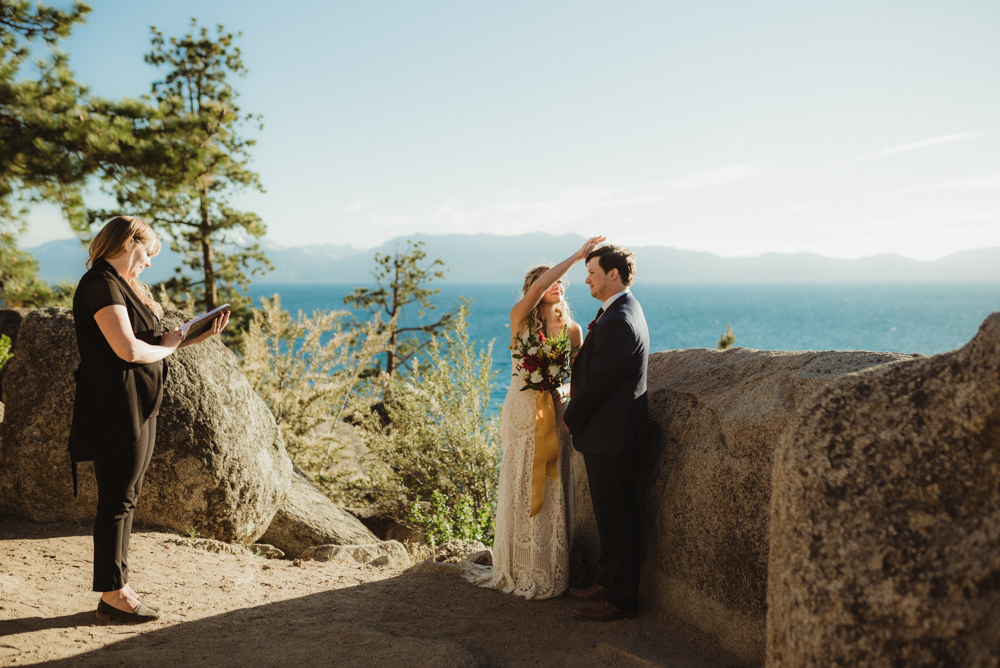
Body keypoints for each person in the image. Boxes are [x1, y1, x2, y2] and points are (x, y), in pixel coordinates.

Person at [69, 216, 229, 623]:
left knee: (127, 497)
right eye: (147, 252)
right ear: (127, 242)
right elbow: (128, 351)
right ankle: (113, 592)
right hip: (115, 408)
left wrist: (191, 336)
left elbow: (148, 343)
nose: (150, 263)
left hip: (139, 404)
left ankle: (117, 585)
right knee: (117, 500)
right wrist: (172, 348)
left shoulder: (122, 285)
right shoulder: (101, 285)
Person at [466, 235, 605, 599]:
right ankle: (517, 567)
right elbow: (544, 281)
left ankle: (549, 570)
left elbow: (579, 378)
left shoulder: (573, 329)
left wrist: (569, 401)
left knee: (553, 482)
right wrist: (577, 256)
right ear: (534, 289)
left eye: (562, 281)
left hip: (556, 412)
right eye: (549, 281)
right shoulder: (519, 321)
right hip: (522, 412)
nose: (557, 284)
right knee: (521, 480)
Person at [563, 244, 650, 622]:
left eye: (592, 272)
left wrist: (570, 416)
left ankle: (621, 600)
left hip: (614, 438)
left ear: (613, 274)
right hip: (611, 435)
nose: (587, 279)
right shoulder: (620, 310)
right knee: (610, 517)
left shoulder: (619, 320)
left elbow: (600, 383)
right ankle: (607, 581)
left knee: (618, 519)